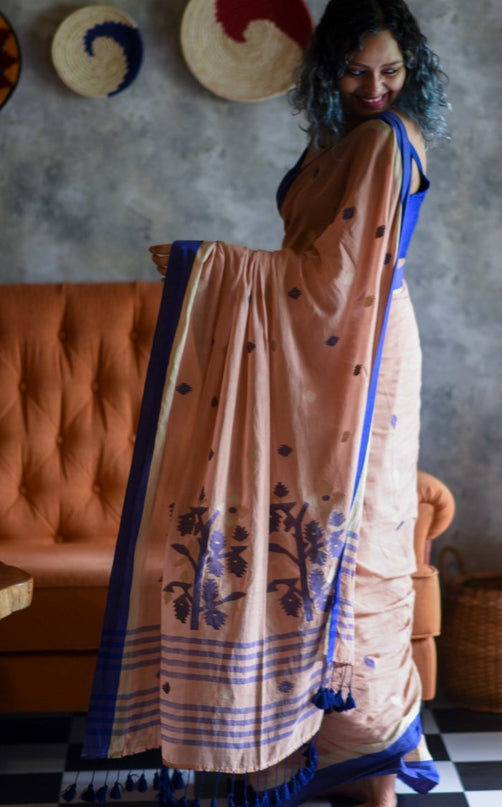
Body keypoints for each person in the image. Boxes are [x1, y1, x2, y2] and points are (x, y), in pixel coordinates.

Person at [81, 2, 449, 806]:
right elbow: (308, 265)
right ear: (326, 71)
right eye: (356, 70)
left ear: (411, 67)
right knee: (293, 531)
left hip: (361, 351)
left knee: (352, 549)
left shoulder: (387, 142)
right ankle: (277, 734)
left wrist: (209, 264)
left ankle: (367, 769)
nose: (375, 87)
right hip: (305, 350)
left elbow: (337, 278)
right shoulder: (332, 143)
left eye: (391, 70)